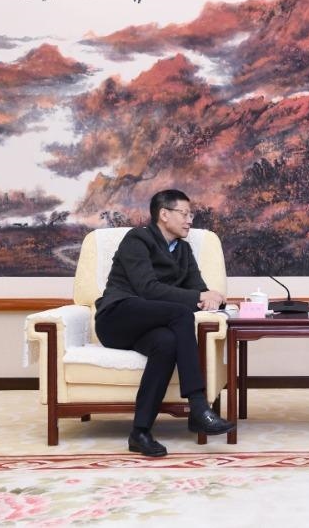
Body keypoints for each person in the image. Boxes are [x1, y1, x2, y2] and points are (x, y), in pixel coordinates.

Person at [95, 189, 235, 457]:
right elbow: (147, 289)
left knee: (167, 343)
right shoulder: (137, 239)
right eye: (185, 214)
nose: (190, 220)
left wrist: (213, 297)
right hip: (117, 317)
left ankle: (139, 433)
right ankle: (198, 406)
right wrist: (199, 297)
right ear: (164, 214)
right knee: (181, 314)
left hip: (149, 325)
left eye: (191, 215)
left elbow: (198, 289)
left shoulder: (183, 249)